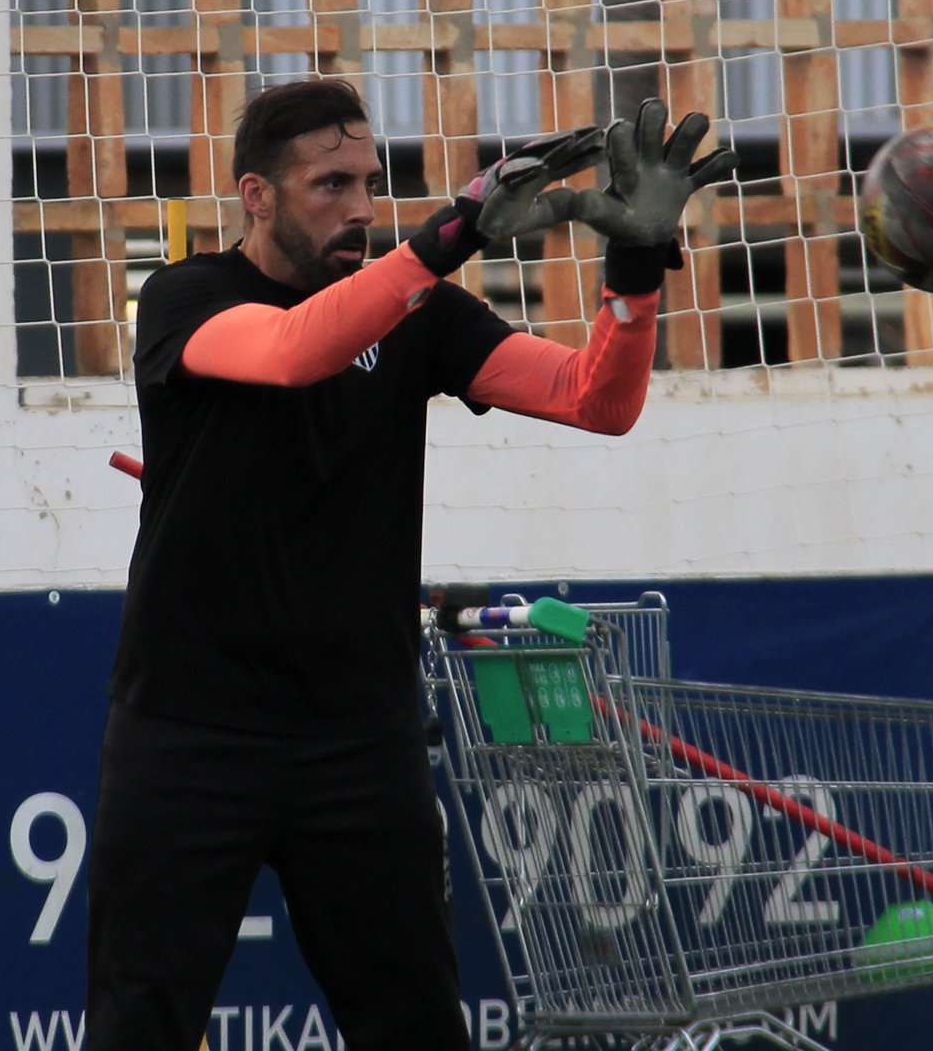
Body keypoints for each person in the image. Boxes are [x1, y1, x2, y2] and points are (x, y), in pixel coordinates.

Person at [87, 78, 735, 1051]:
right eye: (330, 185)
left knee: (415, 1029)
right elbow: (296, 351)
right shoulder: (187, 297)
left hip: (359, 742)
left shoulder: (419, 312)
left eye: (370, 183)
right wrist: (453, 232)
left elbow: (597, 400)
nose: (359, 207)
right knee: (139, 1029)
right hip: (189, 736)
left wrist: (637, 267)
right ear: (256, 196)